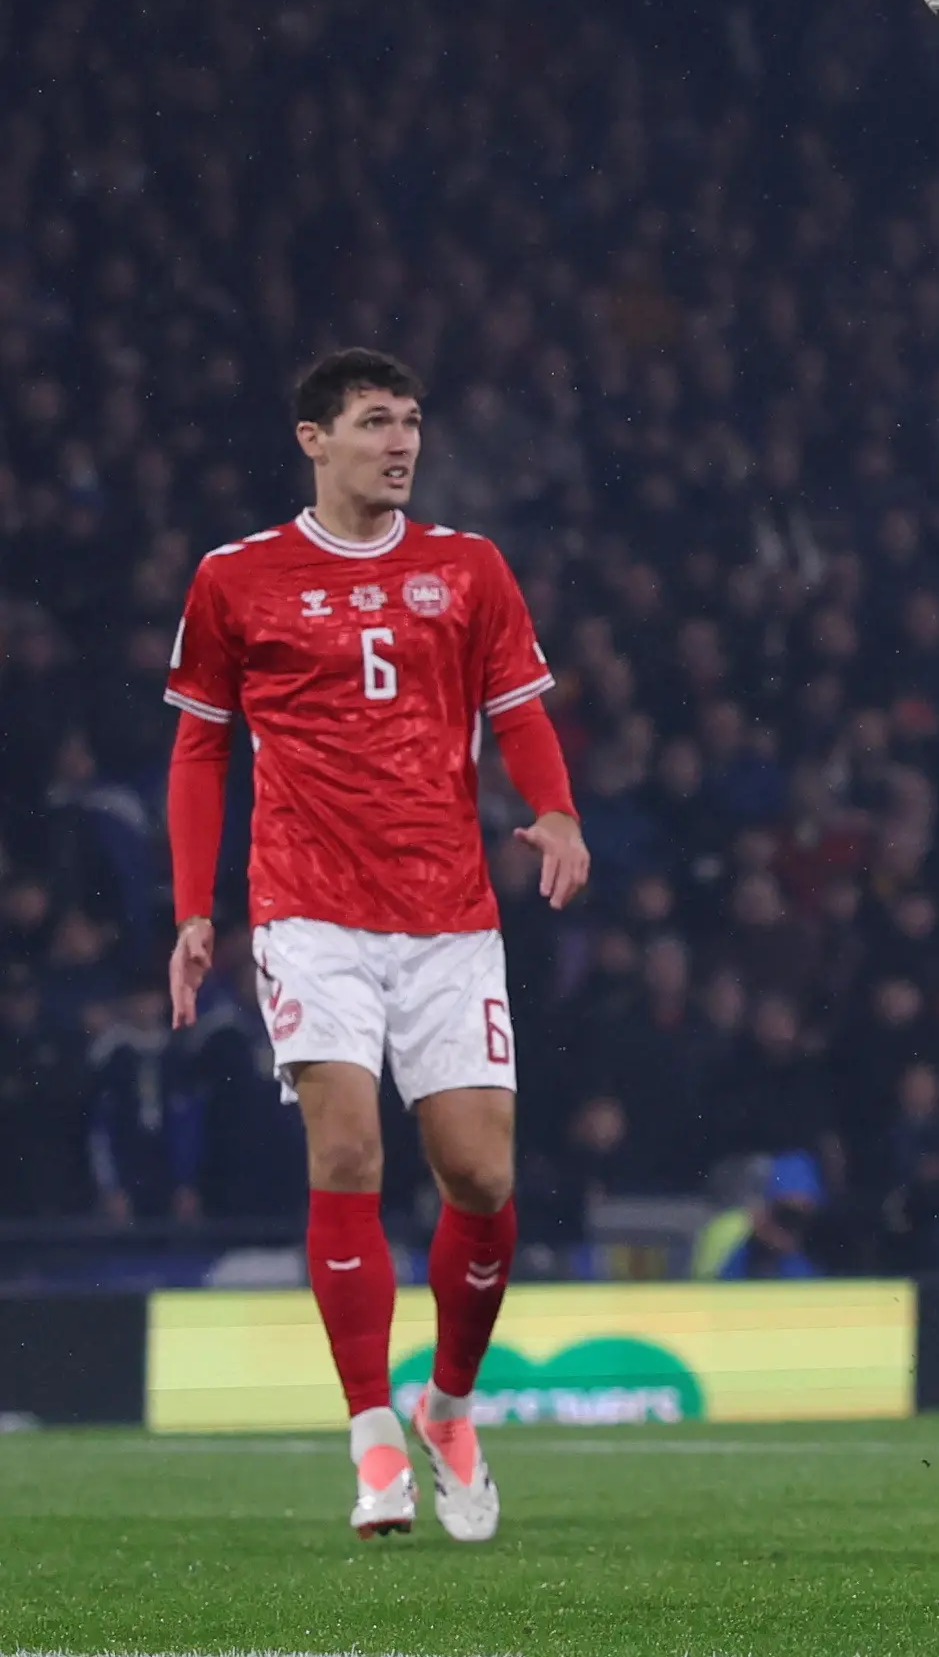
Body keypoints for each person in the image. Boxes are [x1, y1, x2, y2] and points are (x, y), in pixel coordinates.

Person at [163, 348, 590, 1543]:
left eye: (409, 421)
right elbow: (199, 748)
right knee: (345, 1146)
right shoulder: (236, 578)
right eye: (373, 422)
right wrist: (193, 907)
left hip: (449, 914)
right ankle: (371, 1435)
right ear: (314, 438)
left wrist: (556, 811)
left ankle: (446, 1405)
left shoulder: (468, 566)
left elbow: (518, 711)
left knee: (481, 1177)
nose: (400, 442)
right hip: (308, 909)